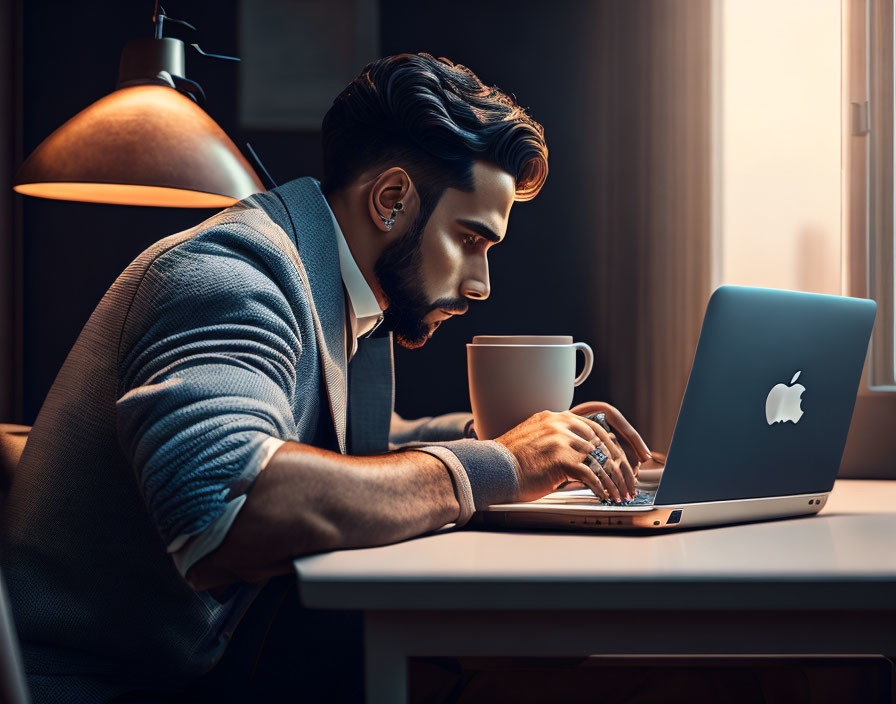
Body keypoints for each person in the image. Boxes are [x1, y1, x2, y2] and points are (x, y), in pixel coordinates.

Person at [0, 53, 651, 702]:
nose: (480, 284)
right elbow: (230, 510)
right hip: (104, 687)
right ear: (392, 199)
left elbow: (345, 451)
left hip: (219, 663)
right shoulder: (231, 275)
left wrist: (513, 436)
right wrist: (497, 465)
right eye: (470, 239)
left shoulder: (345, 294)